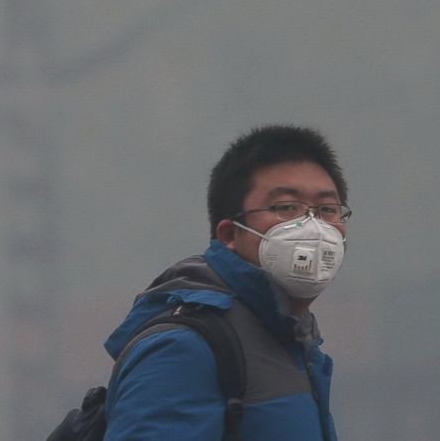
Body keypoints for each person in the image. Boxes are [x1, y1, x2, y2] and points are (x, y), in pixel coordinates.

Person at [102, 124, 350, 440]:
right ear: (230, 234)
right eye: (286, 207)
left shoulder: (292, 343)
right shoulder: (185, 348)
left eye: (327, 209)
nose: (313, 227)